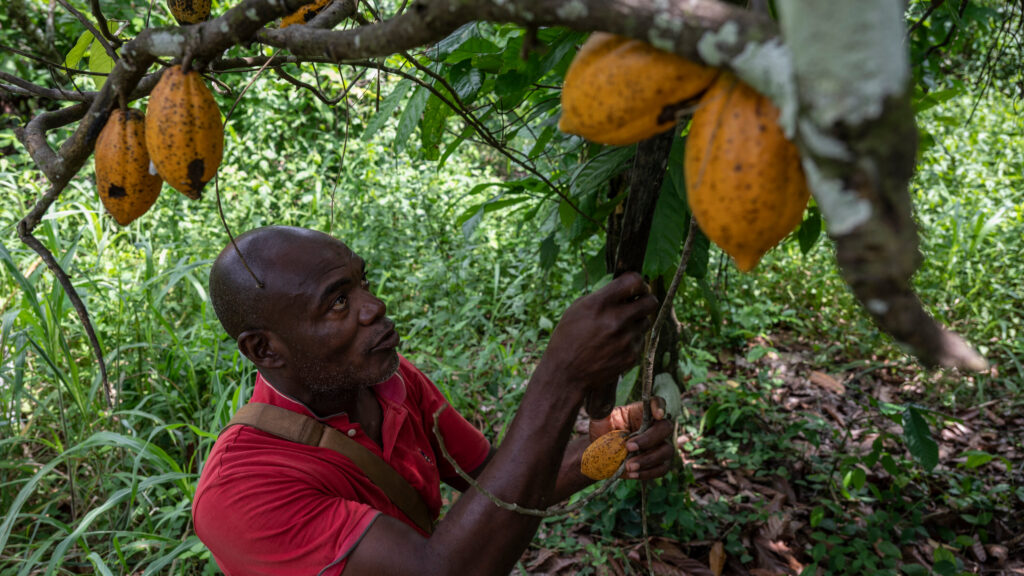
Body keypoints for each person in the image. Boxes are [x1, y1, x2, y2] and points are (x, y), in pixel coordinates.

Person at [193, 225, 675, 575]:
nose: (373, 306)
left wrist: (614, 445)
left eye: (363, 282)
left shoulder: (392, 384)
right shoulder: (239, 490)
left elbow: (495, 482)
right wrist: (561, 378)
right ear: (265, 349)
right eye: (338, 302)